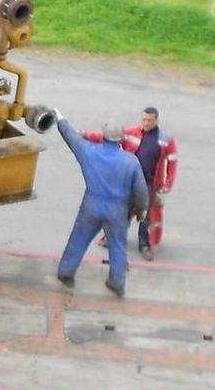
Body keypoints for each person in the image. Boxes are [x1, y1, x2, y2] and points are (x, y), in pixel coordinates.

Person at [56, 117, 149, 297]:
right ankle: (117, 282)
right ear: (120, 138)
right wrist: (141, 210)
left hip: (92, 204)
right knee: (117, 245)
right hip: (118, 209)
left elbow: (72, 138)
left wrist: (61, 121)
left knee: (79, 239)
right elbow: (140, 191)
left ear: (104, 136)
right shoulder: (131, 161)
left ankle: (66, 273)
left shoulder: (89, 152)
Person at [125, 106, 178, 259]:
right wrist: (86, 136)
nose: (146, 123)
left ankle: (144, 244)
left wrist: (168, 183)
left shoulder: (165, 139)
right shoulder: (133, 132)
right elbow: (110, 137)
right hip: (131, 181)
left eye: (149, 120)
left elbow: (173, 163)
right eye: (144, 120)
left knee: (144, 215)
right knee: (123, 210)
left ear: (156, 120)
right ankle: (115, 238)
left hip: (149, 184)